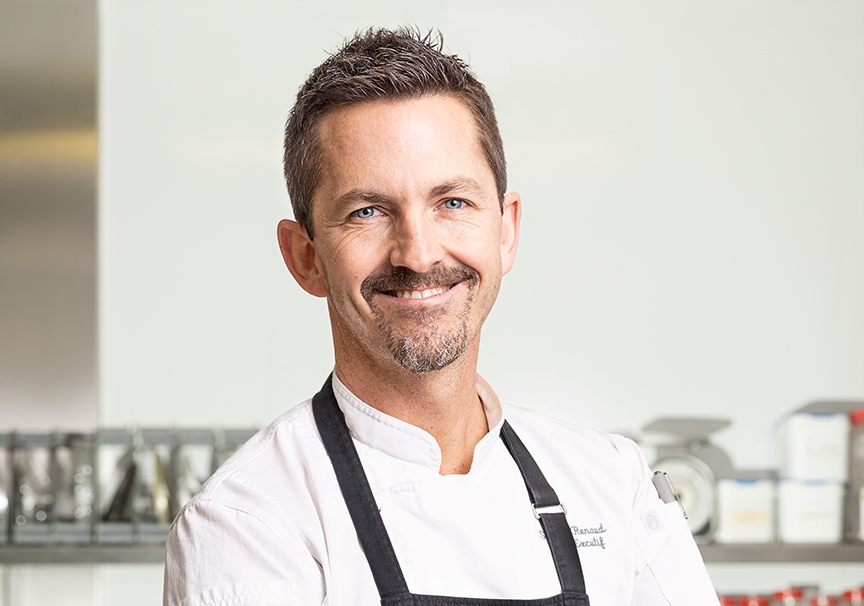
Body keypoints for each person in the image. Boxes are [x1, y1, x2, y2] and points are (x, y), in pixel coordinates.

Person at [163, 27, 719, 606]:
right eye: (368, 211)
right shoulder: (249, 524)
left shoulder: (609, 481)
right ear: (305, 258)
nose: (419, 252)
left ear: (505, 231)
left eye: (452, 202)